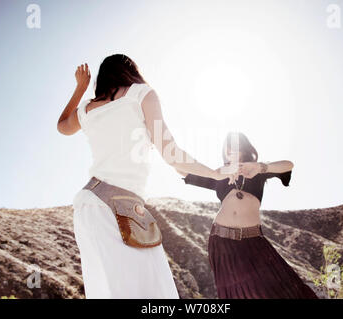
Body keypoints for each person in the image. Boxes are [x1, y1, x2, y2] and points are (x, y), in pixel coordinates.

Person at [57, 54, 236, 298]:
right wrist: (214, 173)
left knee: (109, 292)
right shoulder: (141, 93)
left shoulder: (88, 108)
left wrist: (80, 88)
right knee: (155, 293)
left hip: (89, 206)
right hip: (119, 207)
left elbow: (62, 126)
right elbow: (171, 154)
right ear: (131, 72)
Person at [176, 132, 318, 299]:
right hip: (221, 242)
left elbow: (288, 165)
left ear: (244, 148)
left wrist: (260, 167)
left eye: (234, 145)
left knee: (284, 289)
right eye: (226, 146)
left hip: (253, 240)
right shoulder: (219, 176)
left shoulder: (257, 170)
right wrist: (218, 172)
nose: (229, 149)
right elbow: (179, 168)